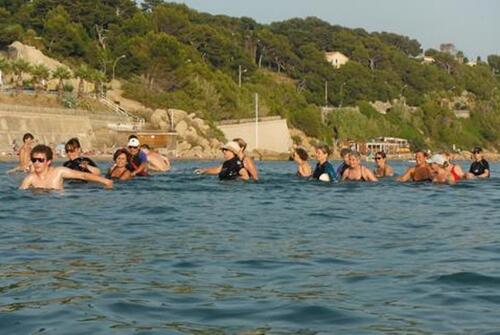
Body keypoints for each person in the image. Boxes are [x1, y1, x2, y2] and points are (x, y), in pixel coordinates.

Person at [19, 144, 112, 190]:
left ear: (48, 161)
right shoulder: (30, 178)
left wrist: (104, 181)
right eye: (34, 160)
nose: (37, 163)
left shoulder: (58, 172)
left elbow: (83, 175)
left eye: (40, 160)